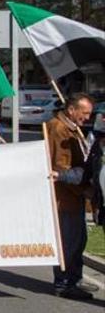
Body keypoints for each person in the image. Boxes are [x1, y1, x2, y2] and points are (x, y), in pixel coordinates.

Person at [47, 93, 96, 300]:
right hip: (65, 199)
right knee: (68, 243)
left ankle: (75, 278)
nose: (87, 118)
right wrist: (84, 190)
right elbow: (60, 169)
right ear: (72, 110)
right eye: (84, 113)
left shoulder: (72, 128)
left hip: (73, 198)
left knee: (79, 240)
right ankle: (64, 283)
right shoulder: (59, 129)